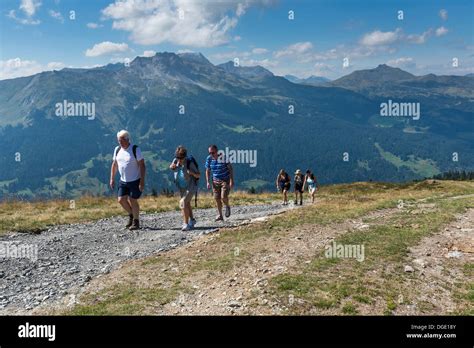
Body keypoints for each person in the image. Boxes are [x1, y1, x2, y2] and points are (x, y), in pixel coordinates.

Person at [110, 130, 146, 230]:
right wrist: (112, 178)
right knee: (121, 200)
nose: (120, 143)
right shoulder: (117, 150)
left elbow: (142, 165)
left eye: (122, 140)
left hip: (135, 180)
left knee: (133, 199)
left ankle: (136, 222)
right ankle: (131, 214)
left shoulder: (135, 149)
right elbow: (114, 164)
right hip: (123, 180)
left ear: (127, 139)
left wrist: (142, 181)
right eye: (118, 141)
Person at [169, 145, 200, 231]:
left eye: (181, 158)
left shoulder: (190, 163)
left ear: (185, 156)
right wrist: (172, 167)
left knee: (182, 203)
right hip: (182, 187)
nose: (179, 159)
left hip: (191, 186)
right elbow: (171, 166)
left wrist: (192, 173)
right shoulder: (176, 160)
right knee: (187, 203)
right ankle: (192, 220)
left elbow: (198, 175)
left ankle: (185, 224)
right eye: (177, 157)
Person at [205, 144, 234, 221]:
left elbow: (230, 168)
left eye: (213, 152)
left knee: (223, 197)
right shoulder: (209, 159)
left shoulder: (224, 157)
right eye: (210, 153)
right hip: (215, 181)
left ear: (217, 151)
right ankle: (220, 215)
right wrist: (207, 182)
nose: (211, 154)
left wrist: (231, 180)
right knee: (217, 199)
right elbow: (207, 170)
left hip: (225, 180)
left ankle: (227, 206)